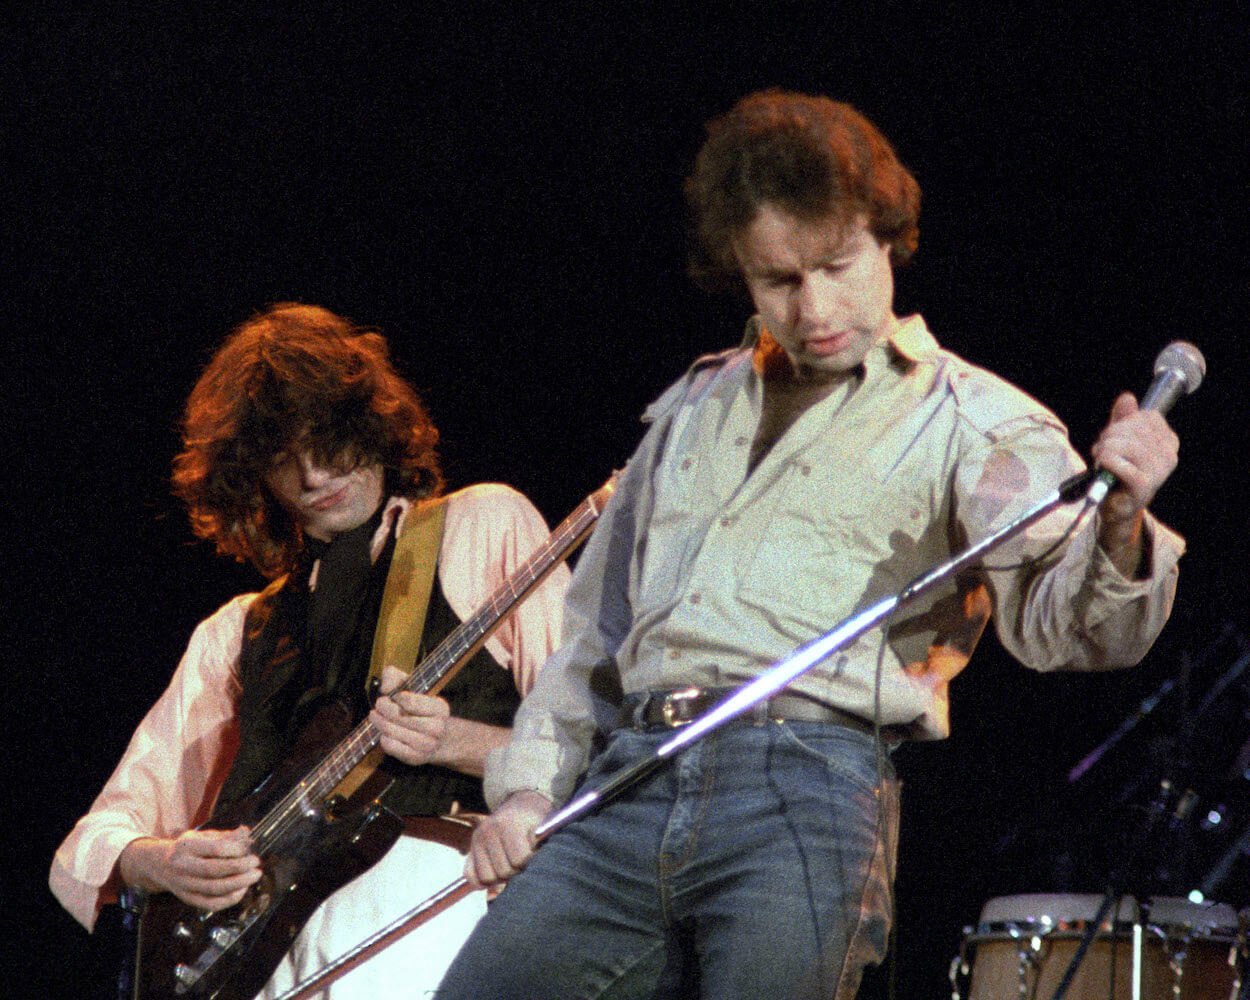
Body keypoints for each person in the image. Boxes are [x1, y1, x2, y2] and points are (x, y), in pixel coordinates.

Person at [434, 91, 1185, 999]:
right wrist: (524, 789)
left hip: (806, 787)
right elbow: (596, 633)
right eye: (779, 280)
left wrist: (1120, 521)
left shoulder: (974, 420)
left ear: (888, 241)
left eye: (838, 264)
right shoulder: (689, 410)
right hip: (626, 782)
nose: (816, 305)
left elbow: (1067, 627)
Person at [49, 303, 569, 998]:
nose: (314, 475)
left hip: (426, 904)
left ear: (370, 423)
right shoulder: (236, 631)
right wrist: (159, 861)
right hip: (258, 955)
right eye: (279, 458)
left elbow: (595, 737)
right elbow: (95, 839)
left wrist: (458, 740)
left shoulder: (481, 526)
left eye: (328, 439)